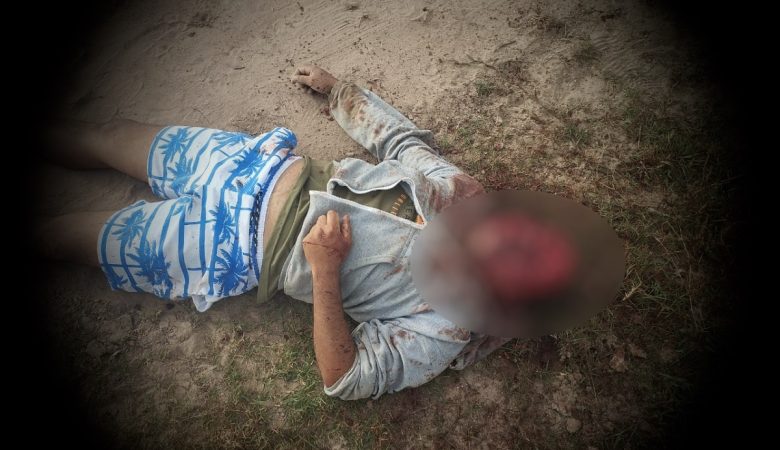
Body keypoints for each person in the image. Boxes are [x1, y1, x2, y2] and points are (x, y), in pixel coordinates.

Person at [36, 65, 510, 400]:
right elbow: (401, 142)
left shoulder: (444, 325)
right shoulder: (464, 196)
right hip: (252, 164)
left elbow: (345, 378)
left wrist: (325, 271)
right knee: (108, 134)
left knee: (64, 235)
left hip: (224, 246)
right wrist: (339, 92)